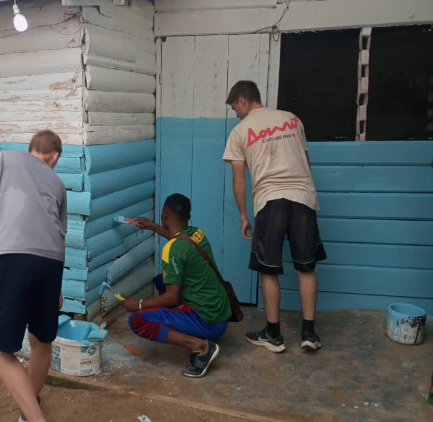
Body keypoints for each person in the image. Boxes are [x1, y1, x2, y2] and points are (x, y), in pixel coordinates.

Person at [0, 130, 67, 422]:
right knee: (42, 342)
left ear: (31, 148)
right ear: (54, 156)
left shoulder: (4, 158)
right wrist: (56, 287)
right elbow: (60, 232)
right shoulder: (58, 183)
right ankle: (28, 409)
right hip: (52, 264)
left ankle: (34, 418)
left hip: (17, 257)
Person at [222, 80, 324, 353]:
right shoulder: (292, 119)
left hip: (270, 201)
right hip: (303, 198)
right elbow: (306, 162)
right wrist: (307, 193)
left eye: (235, 108)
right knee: (306, 266)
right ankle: (309, 333)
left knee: (268, 269)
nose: (237, 114)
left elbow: (239, 181)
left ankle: (274, 335)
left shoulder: (241, 131)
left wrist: (244, 216)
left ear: (242, 101)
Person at [124, 193, 232, 378]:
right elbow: (177, 239)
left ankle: (201, 347)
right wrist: (152, 226)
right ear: (187, 217)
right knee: (161, 280)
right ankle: (187, 321)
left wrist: (139, 304)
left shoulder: (172, 250)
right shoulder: (196, 233)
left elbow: (171, 297)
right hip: (221, 313)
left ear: (165, 214)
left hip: (209, 321)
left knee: (137, 320)